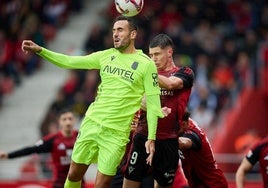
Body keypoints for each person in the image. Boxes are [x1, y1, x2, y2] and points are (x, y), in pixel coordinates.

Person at [21, 15, 164, 188]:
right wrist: (41, 50)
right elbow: (69, 62)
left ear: (133, 34)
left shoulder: (146, 64)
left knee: (102, 183)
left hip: (116, 134)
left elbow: (154, 104)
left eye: (120, 30)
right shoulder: (106, 56)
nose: (115, 34)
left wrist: (151, 137)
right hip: (92, 124)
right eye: (113, 30)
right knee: (74, 174)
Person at [123, 33, 194, 188]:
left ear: (169, 52)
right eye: (150, 55)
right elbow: (138, 100)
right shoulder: (146, 76)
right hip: (143, 137)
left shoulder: (185, 72)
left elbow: (170, 84)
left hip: (169, 141)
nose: (153, 59)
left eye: (157, 54)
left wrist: (146, 69)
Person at [0, 108, 85, 188]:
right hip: (60, 184)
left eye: (70, 119)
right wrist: (8, 155)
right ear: (59, 121)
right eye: (64, 119)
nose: (68, 122)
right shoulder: (52, 139)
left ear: (74, 120)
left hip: (79, 184)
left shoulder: (82, 138)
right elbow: (31, 149)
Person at [175, 111, 228, 188]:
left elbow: (185, 142)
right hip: (198, 183)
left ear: (184, 124)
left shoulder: (192, 133)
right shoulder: (182, 123)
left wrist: (164, 139)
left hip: (212, 184)